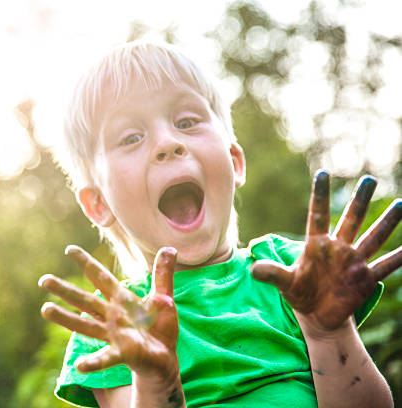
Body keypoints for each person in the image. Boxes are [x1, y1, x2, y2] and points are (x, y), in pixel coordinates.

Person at [38, 40, 401, 407]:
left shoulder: (292, 273)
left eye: (186, 121)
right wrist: (155, 383)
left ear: (234, 161)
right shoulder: (117, 322)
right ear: (99, 203)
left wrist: (327, 333)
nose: (167, 143)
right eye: (131, 137)